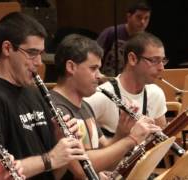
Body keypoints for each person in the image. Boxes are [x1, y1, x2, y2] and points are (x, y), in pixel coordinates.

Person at [0, 12, 88, 180]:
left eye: (41, 54)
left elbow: (54, 175)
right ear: (7, 48)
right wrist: (50, 159)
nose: (39, 62)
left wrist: (62, 145)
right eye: (32, 53)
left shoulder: (36, 93)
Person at [50, 34, 161, 178]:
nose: (100, 76)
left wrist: (122, 133)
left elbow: (107, 162)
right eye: (93, 68)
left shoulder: (84, 105)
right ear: (71, 67)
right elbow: (81, 169)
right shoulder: (56, 108)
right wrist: (131, 140)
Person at [85, 32, 168, 138]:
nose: (161, 68)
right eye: (154, 60)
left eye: (163, 61)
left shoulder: (156, 93)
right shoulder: (100, 96)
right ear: (132, 59)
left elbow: (160, 143)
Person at [97, 0, 151, 77]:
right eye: (139, 17)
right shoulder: (111, 32)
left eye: (146, 18)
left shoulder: (147, 40)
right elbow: (94, 54)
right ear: (129, 16)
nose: (143, 22)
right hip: (107, 79)